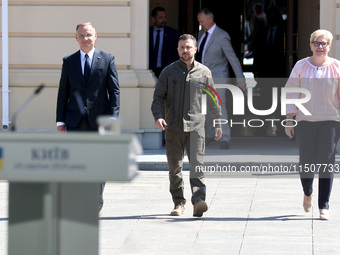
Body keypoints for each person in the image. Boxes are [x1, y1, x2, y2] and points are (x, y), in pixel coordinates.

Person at [151, 34, 222, 217]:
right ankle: (179, 203)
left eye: (188, 47)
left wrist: (218, 121)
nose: (185, 50)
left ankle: (198, 201)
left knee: (197, 166)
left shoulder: (204, 72)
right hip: (174, 127)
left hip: (197, 127)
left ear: (195, 49)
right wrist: (158, 117)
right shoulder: (168, 72)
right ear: (178, 49)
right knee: (175, 168)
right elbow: (158, 98)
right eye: (182, 47)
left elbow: (213, 99)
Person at [56, 22, 120, 210]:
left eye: (89, 35)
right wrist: (60, 121)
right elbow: (63, 93)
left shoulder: (107, 59)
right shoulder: (69, 61)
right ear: (76, 38)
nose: (85, 39)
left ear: (95, 36)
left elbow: (114, 91)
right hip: (74, 121)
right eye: (81, 36)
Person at [285, 29, 340, 220]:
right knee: (306, 162)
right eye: (317, 43)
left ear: (329, 46)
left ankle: (324, 205)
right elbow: (291, 93)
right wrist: (290, 119)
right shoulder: (301, 66)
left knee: (327, 161)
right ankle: (308, 192)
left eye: (324, 43)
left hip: (330, 120)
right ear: (311, 45)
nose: (320, 46)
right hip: (305, 120)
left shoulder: (336, 67)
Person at [196, 8, 246, 149]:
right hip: (202, 77)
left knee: (219, 106)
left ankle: (225, 138)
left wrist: (240, 79)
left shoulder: (222, 36)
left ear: (210, 20)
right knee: (205, 107)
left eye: (202, 21)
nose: (200, 24)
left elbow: (233, 59)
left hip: (218, 77)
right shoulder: (201, 33)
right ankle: (210, 134)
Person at [149, 6, 179, 78]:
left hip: (167, 71)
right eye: (160, 18)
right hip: (149, 71)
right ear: (153, 19)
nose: (164, 20)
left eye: (165, 17)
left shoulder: (172, 33)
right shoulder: (147, 33)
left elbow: (176, 54)